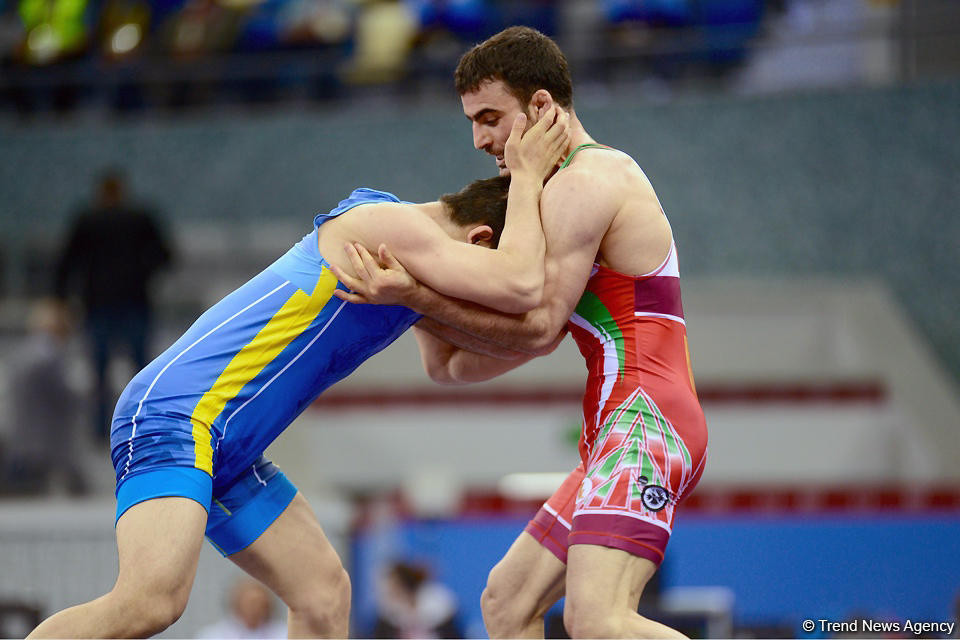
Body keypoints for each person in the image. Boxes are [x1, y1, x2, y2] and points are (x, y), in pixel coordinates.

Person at [27, 106, 568, 639]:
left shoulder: (412, 278)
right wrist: (525, 177)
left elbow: (448, 365)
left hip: (229, 447)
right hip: (176, 415)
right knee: (150, 603)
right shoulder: (386, 227)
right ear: (478, 242)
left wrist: (539, 332)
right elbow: (519, 285)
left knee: (323, 596)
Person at [330, 26, 708, 639]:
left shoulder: (584, 182)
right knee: (507, 603)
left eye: (490, 117)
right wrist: (414, 302)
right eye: (471, 122)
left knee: (597, 620)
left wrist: (418, 291)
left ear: (540, 107)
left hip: (646, 417)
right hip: (618, 424)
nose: (480, 139)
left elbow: (537, 325)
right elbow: (454, 365)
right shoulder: (553, 193)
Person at [54, 169, 173, 441]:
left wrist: (61, 297)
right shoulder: (139, 218)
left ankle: (101, 431)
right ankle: (146, 426)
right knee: (143, 373)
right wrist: (144, 273)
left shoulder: (88, 220)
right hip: (134, 301)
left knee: (100, 373)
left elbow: (67, 262)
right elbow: (165, 255)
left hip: (99, 304)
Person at [1, 299, 87, 496]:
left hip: (23, 432)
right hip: (42, 437)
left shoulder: (24, 351)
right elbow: (64, 397)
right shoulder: (49, 356)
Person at [371, 561, 462, 639]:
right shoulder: (387, 617)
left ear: (407, 587)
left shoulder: (440, 611)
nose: (390, 595)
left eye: (394, 590)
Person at [195, 578, 286, 639]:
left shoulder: (284, 634)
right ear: (237, 604)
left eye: (259, 603)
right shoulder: (212, 635)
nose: (255, 609)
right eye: (250, 603)